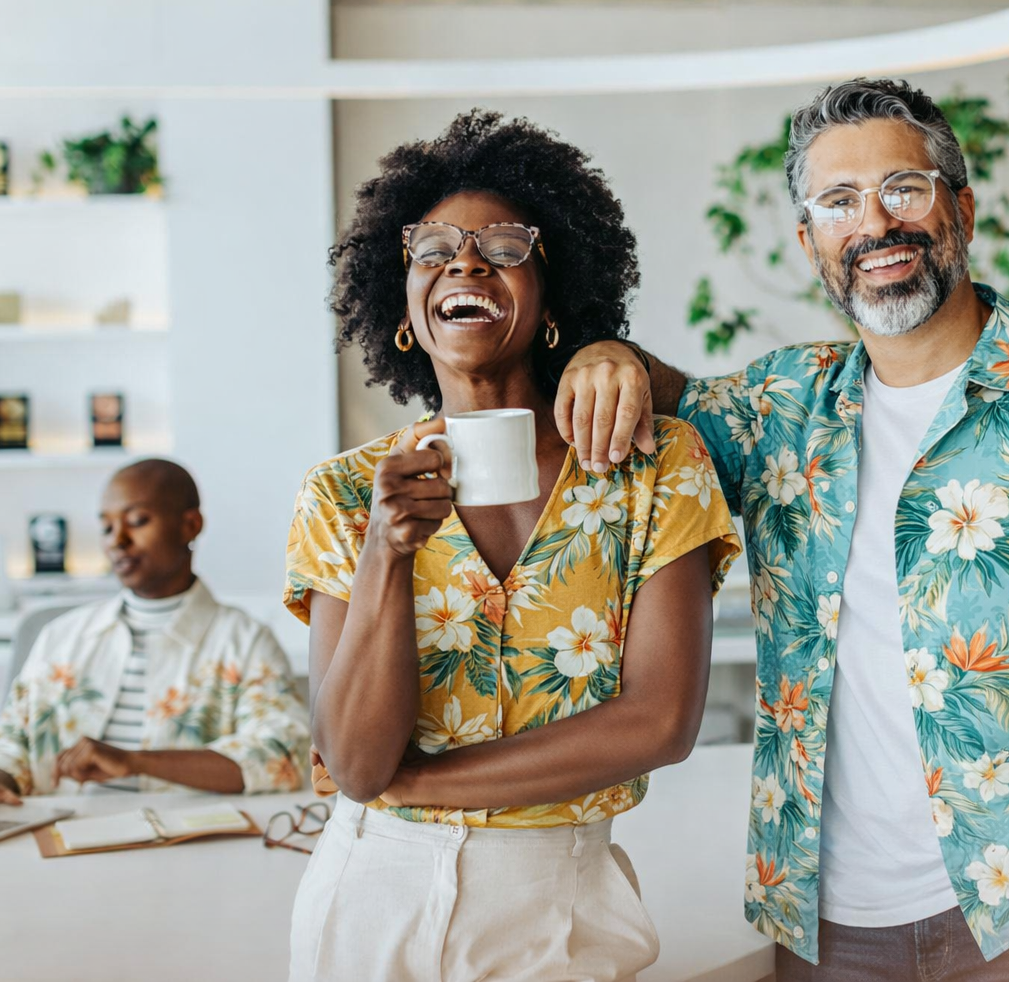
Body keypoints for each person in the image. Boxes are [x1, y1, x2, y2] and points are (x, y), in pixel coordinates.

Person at [555, 79, 1009, 982]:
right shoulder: (783, 407)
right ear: (809, 240)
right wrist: (602, 352)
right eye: (839, 202)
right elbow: (659, 399)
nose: (876, 224)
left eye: (904, 189)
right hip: (830, 929)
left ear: (960, 208)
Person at [283, 111, 739, 982]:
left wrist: (415, 785)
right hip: (369, 896)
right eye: (433, 249)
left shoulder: (654, 465)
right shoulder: (345, 494)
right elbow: (353, 757)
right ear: (405, 312)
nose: (464, 261)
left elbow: (660, 721)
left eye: (501, 242)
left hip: (560, 903)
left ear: (554, 292)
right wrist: (387, 552)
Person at [0, 459, 310, 807]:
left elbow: (283, 756)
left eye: (137, 521)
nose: (118, 541)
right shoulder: (61, 637)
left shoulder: (245, 642)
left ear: (190, 525)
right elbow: (11, 741)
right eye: (107, 528)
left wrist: (135, 761)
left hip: (191, 847)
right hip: (65, 837)